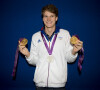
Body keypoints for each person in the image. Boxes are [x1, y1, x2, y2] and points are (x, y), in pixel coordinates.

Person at [19, 4, 83, 90]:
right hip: (40, 84)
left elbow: (69, 59)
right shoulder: (35, 36)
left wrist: (73, 51)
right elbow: (35, 61)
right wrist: (27, 54)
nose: (48, 19)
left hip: (59, 85)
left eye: (52, 16)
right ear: (42, 18)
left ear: (56, 18)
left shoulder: (65, 34)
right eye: (46, 16)